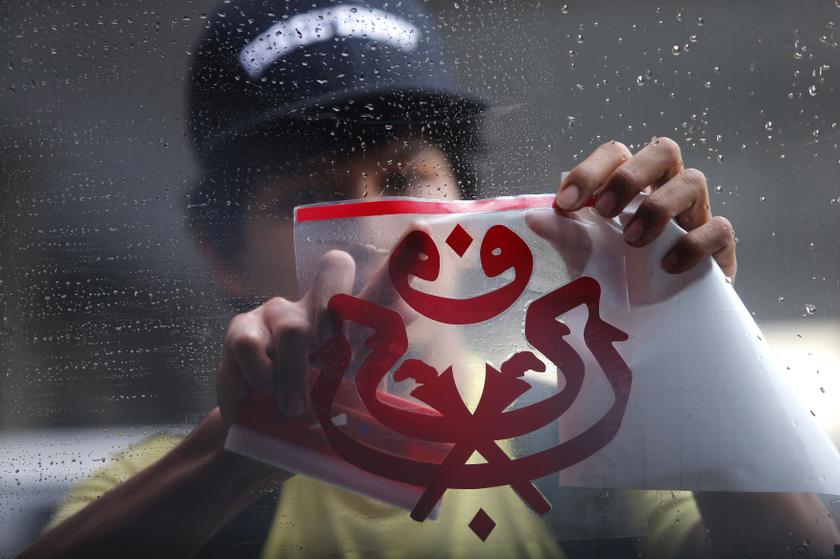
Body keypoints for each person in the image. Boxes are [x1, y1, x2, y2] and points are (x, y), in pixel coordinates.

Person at [21, 1, 839, 557]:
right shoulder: (157, 492)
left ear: (472, 208)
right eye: (309, 198)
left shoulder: (585, 437)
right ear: (221, 251)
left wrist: (689, 342)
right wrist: (246, 452)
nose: (377, 231)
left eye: (407, 176)